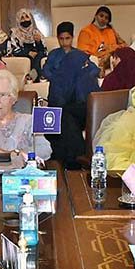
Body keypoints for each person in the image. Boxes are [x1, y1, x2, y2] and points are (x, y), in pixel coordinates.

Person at [43, 22, 99, 167]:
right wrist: (65, 75)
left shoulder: (80, 56)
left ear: (72, 38)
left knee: (67, 118)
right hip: (61, 101)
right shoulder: (54, 55)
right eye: (61, 39)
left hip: (79, 103)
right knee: (65, 118)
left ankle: (74, 158)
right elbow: (48, 72)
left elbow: (94, 70)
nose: (64, 42)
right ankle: (77, 157)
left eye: (67, 38)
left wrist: (77, 75)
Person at [7, 8, 47, 78]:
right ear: (18, 20)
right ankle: (34, 77)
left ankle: (34, 76)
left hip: (36, 55)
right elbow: (13, 50)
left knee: (40, 55)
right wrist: (28, 53)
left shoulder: (36, 32)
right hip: (22, 54)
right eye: (22, 18)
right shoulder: (14, 33)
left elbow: (44, 50)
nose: (25, 20)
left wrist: (38, 42)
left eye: (27, 17)